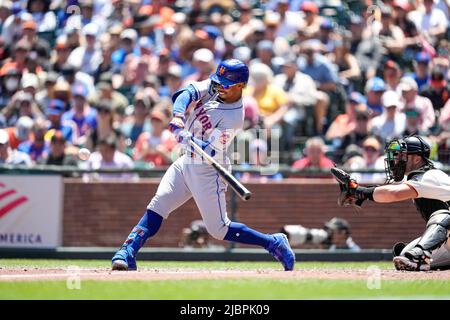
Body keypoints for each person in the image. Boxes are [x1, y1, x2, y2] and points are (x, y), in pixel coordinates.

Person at [111, 59, 295, 271]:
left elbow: (211, 151)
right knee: (159, 204)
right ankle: (127, 251)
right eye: (218, 81)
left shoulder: (235, 116)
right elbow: (185, 94)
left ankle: (273, 243)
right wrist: (179, 117)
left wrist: (189, 138)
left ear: (240, 86)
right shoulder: (214, 86)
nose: (218, 86)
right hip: (186, 161)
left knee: (218, 229)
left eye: (225, 84)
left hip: (209, 169)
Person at [332, 135, 450, 271]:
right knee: (405, 255)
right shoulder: (418, 178)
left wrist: (359, 192)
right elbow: (389, 190)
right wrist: (359, 193)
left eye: (401, 155)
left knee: (442, 215)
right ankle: (420, 259)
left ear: (417, 158)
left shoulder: (431, 175)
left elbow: (394, 193)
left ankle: (420, 257)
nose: (396, 159)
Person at [281, 217, 360, 251]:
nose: (330, 233)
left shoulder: (351, 248)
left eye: (333, 231)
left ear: (342, 233)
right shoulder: (326, 243)